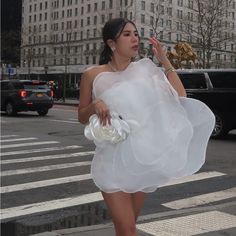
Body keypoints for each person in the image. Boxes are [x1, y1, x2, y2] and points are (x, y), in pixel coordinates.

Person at [78, 18, 215, 236]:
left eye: (136, 34)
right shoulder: (92, 75)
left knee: (127, 229)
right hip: (111, 162)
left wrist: (164, 60)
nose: (135, 39)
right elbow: (81, 116)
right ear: (111, 43)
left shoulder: (146, 70)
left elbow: (179, 96)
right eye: (127, 34)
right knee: (128, 229)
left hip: (142, 161)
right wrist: (95, 104)